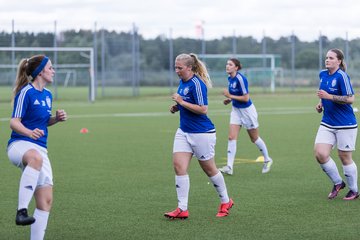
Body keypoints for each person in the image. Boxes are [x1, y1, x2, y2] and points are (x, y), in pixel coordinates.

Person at [164, 53, 233, 219]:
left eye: (180, 68)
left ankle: (225, 201)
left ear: (189, 67)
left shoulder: (197, 84)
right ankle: (182, 208)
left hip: (202, 133)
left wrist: (181, 102)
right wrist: (177, 107)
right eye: (175, 67)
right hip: (184, 131)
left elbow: (203, 109)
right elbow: (187, 102)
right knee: (178, 166)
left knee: (209, 169)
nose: (177, 71)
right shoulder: (183, 82)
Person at [7, 54, 67, 239]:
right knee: (35, 158)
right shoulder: (26, 92)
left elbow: (41, 122)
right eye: (50, 68)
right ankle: (21, 211)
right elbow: (14, 122)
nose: (53, 71)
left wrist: (55, 119)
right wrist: (29, 133)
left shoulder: (48, 95)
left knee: (46, 201)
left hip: (40, 149)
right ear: (40, 72)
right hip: (20, 144)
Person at [314, 48, 359, 200]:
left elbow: (350, 99)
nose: (327, 60)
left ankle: (354, 190)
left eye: (331, 58)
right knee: (320, 154)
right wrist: (321, 103)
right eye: (326, 57)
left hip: (345, 124)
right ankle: (338, 183)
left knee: (344, 157)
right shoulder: (322, 74)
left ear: (339, 61)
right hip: (327, 122)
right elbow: (323, 93)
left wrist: (329, 97)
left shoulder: (342, 76)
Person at [218, 58, 273, 175]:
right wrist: (229, 99)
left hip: (247, 112)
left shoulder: (241, 79)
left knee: (254, 138)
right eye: (227, 64)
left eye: (230, 64)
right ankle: (229, 167)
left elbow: (246, 98)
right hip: (236, 110)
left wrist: (230, 95)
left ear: (236, 67)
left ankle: (267, 159)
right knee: (231, 137)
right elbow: (235, 94)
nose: (227, 66)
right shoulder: (230, 78)